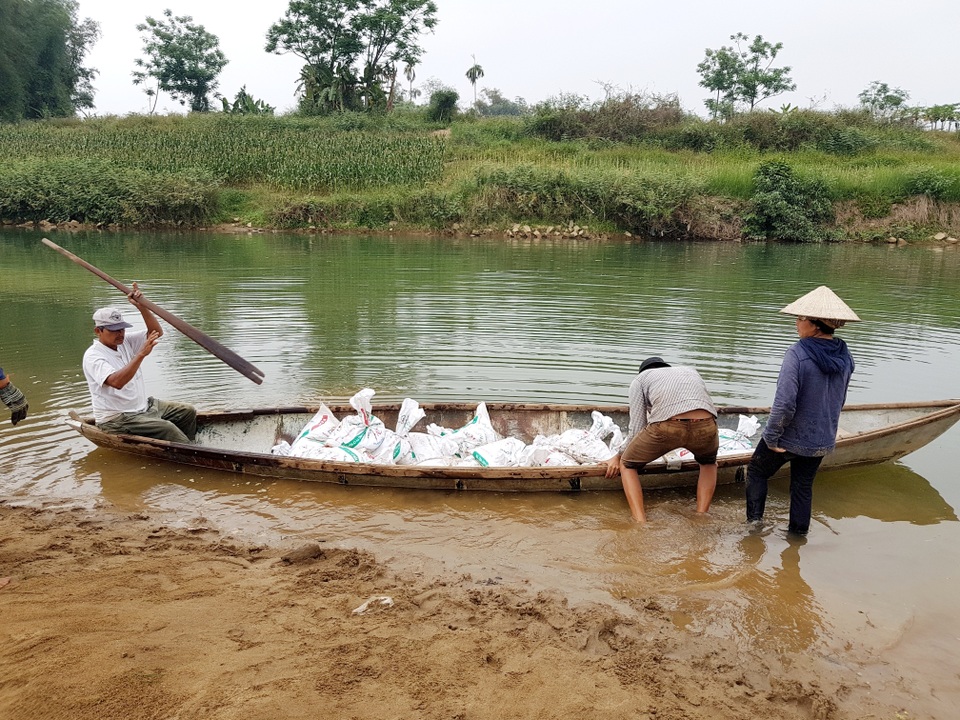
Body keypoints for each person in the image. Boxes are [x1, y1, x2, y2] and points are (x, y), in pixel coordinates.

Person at [745, 286, 859, 536]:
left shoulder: (797, 354)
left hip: (790, 436)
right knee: (802, 487)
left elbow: (784, 403)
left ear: (816, 325)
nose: (796, 324)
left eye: (800, 319)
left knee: (756, 471)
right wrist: (828, 431)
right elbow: (840, 399)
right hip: (820, 438)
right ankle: (797, 540)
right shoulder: (845, 355)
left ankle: (754, 529)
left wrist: (771, 437)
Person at [605, 357, 719, 522]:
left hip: (669, 425)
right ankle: (701, 515)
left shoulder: (640, 380)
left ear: (643, 371)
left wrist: (618, 455)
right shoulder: (690, 371)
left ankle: (640, 521)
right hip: (707, 425)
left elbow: (637, 427)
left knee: (627, 464)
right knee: (708, 462)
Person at [82, 283, 197, 443]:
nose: (120, 334)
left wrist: (142, 307)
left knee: (187, 411)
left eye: (121, 329)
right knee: (167, 428)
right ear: (98, 331)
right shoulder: (93, 356)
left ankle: (189, 445)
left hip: (142, 407)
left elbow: (156, 332)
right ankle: (189, 454)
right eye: (113, 330)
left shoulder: (125, 342)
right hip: (117, 418)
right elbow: (116, 382)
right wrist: (141, 354)